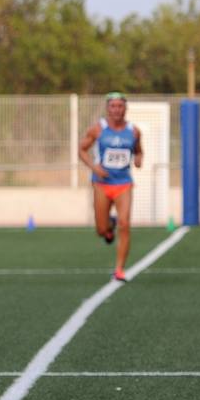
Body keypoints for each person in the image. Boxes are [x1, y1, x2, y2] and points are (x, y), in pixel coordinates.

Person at [78, 91, 143, 281]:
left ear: (125, 108)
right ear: (107, 109)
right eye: (113, 106)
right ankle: (108, 226)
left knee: (125, 224)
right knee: (101, 230)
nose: (116, 110)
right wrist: (94, 167)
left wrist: (138, 160)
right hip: (101, 184)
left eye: (120, 106)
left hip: (123, 183)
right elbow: (81, 149)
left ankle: (120, 269)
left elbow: (139, 151)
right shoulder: (99, 129)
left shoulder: (133, 131)